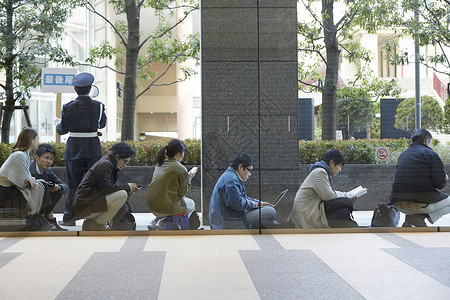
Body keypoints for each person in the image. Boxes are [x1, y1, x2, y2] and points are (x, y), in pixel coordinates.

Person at [56, 72, 107, 226]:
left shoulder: (68, 107)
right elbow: (102, 124)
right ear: (90, 89)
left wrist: (57, 124)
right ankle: (95, 218)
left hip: (74, 150)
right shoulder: (98, 106)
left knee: (73, 186)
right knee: (94, 185)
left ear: (75, 88)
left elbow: (62, 130)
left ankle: (69, 218)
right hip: (93, 149)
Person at [0, 128, 60, 230]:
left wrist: (30, 179)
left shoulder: (25, 154)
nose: (38, 142)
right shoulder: (19, 155)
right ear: (31, 140)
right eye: (37, 139)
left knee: (41, 185)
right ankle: (47, 220)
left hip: (11, 189)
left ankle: (45, 220)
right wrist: (30, 179)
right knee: (42, 185)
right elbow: (23, 183)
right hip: (5, 192)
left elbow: (27, 179)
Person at [73, 142, 140, 230]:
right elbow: (106, 188)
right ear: (117, 156)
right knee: (122, 194)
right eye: (125, 162)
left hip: (86, 204)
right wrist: (128, 187)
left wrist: (128, 190)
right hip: (85, 206)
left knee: (123, 194)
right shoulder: (105, 164)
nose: (125, 165)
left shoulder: (108, 163)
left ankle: (92, 224)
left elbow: (106, 188)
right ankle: (98, 223)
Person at [390, 129, 450, 227]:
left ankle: (413, 218)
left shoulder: (403, 154)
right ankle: (420, 217)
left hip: (397, 203)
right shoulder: (431, 154)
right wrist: (444, 178)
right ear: (427, 141)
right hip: (421, 202)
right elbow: (439, 184)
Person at [289, 149, 358, 228]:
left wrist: (346, 195)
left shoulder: (321, 171)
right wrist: (347, 195)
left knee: (343, 211)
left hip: (310, 211)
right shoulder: (320, 172)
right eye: (339, 166)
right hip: (306, 215)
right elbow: (328, 196)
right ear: (332, 162)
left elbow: (329, 193)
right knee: (343, 213)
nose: (340, 170)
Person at [209, 153, 277, 230]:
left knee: (268, 214)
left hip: (230, 218)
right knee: (271, 211)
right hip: (226, 223)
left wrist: (259, 203)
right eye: (249, 170)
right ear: (240, 167)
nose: (250, 174)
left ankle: (275, 226)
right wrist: (254, 204)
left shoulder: (231, 176)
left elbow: (242, 198)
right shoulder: (231, 180)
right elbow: (237, 204)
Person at [146, 139, 198, 230]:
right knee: (191, 203)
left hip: (152, 206)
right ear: (178, 154)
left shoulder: (159, 164)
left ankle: (155, 221)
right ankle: (164, 222)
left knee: (166, 197)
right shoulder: (180, 168)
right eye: (183, 153)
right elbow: (182, 193)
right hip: (166, 207)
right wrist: (189, 176)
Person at [30, 144, 69, 227]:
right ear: (37, 157)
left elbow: (65, 187)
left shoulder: (48, 171)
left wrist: (57, 187)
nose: (49, 161)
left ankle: (46, 217)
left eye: (51, 159)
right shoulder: (29, 168)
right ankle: (50, 219)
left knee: (57, 191)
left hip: (41, 202)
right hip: (28, 200)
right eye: (46, 158)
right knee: (42, 185)